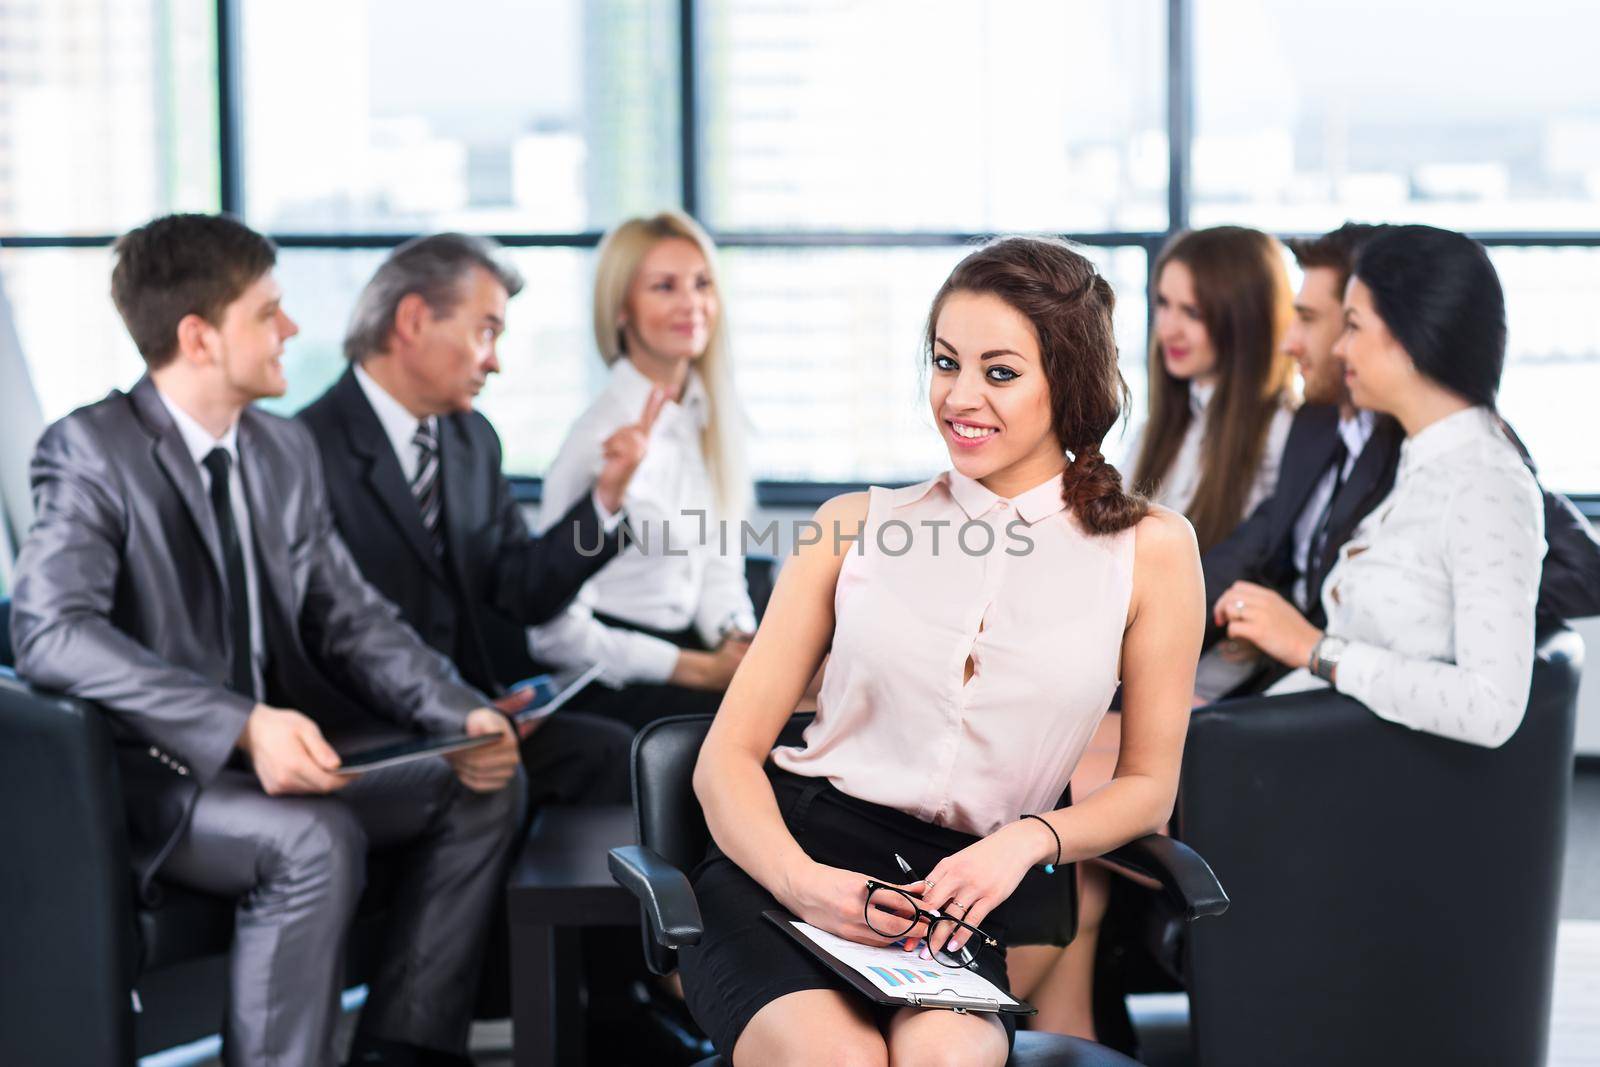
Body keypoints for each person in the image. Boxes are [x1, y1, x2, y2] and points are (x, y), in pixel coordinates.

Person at [8, 214, 521, 1066]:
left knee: (479, 783)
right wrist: (243, 722)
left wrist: (460, 713)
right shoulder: (89, 450)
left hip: (269, 758)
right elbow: (50, 633)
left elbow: (350, 617)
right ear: (199, 337)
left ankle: (402, 1047)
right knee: (315, 840)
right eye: (269, 312)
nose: (293, 329)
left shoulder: (281, 451)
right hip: (152, 777)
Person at [678, 236, 1204, 1065]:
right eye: (945, 362)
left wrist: (1026, 839)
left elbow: (1147, 786)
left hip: (950, 900)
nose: (959, 397)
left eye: (999, 372)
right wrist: (803, 883)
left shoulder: (1154, 551)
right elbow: (723, 761)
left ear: (1068, 380)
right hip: (786, 869)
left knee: (946, 1060)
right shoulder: (853, 526)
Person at [298, 233, 644, 812]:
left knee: (615, 754)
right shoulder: (304, 449)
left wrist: (605, 498)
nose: (495, 361)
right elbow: (323, 635)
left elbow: (521, 589)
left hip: (476, 717)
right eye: (486, 332)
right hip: (373, 729)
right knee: (489, 788)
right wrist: (455, 711)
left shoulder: (471, 439)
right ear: (412, 320)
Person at [1202, 223, 1600, 698]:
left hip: (1334, 727)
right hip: (1306, 702)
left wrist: (1473, 596)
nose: (1337, 348)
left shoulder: (1482, 477)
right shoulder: (1387, 447)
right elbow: (1263, 541)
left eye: (1351, 326)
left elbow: (1491, 697)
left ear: (1408, 338)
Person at [527, 211, 757, 731]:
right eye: (664, 287)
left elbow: (719, 568)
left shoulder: (707, 420)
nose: (690, 304)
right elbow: (554, 637)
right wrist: (701, 670)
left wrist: (736, 637)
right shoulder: (596, 441)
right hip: (616, 681)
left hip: (693, 656)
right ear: (622, 310)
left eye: (701, 284)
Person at [1128, 225, 1299, 553]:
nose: (1168, 329)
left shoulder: (1280, 434)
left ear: (1244, 320)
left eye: (1192, 313)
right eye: (1163, 304)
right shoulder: (1162, 426)